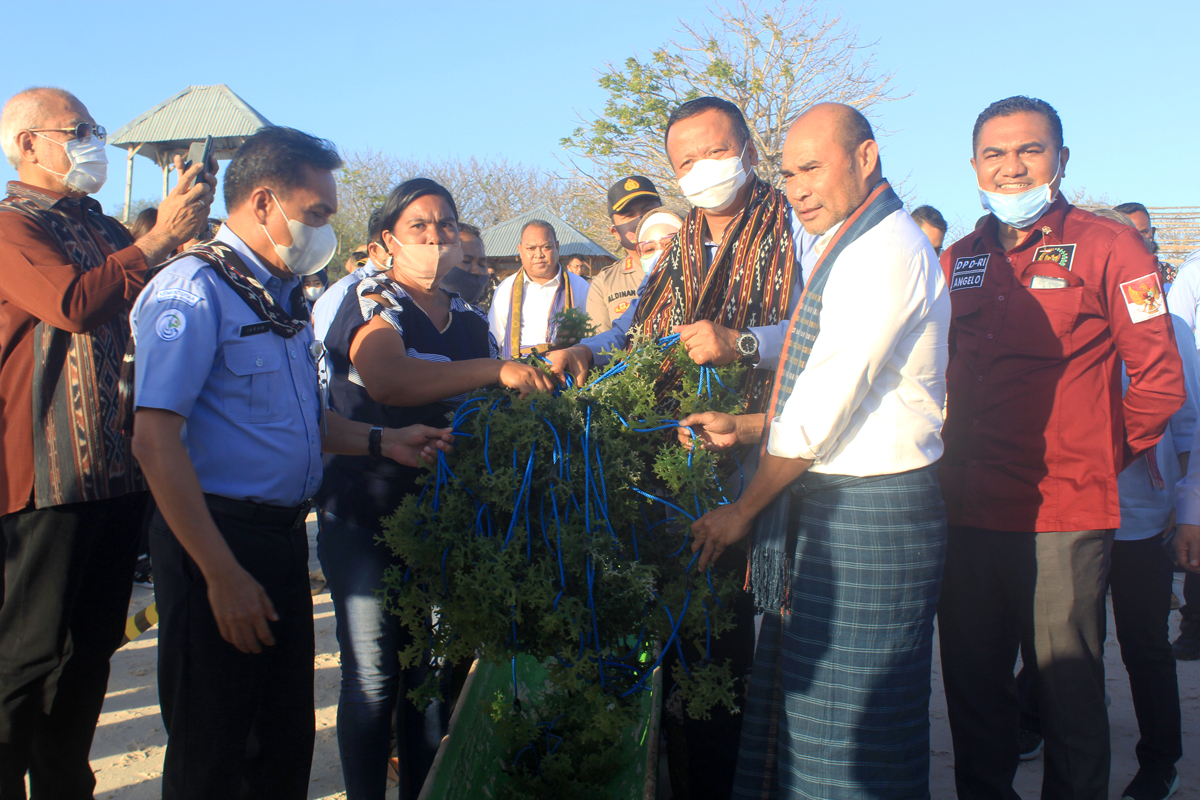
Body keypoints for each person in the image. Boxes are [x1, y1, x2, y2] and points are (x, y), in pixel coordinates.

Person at [130, 126, 456, 800]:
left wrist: (380, 442)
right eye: (317, 215)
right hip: (216, 540)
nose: (325, 231)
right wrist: (220, 574)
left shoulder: (281, 299)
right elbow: (155, 441)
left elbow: (299, 423)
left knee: (279, 746)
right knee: (215, 751)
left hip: (280, 541)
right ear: (262, 203)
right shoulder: (193, 291)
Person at [680, 102, 949, 800]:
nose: (796, 187)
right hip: (839, 507)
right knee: (814, 729)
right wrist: (745, 426)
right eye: (788, 172)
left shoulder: (884, 251)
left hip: (870, 515)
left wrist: (741, 511)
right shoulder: (851, 244)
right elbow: (819, 363)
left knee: (851, 739)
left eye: (812, 167)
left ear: (866, 158)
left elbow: (818, 413)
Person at [548, 96, 807, 800]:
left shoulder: (796, 226)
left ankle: (752, 777)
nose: (703, 170)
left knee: (762, 644)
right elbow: (637, 327)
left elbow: (827, 329)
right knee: (695, 636)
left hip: (775, 459)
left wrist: (743, 342)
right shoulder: (684, 244)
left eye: (716, 152)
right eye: (686, 161)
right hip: (682, 462)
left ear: (750, 149)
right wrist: (584, 348)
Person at [937, 96, 1185, 800]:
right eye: (994, 153)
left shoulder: (1112, 247)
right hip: (967, 511)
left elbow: (1161, 382)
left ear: (1062, 159)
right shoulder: (961, 258)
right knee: (974, 692)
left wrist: (1094, 460)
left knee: (1067, 696)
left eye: (1030, 150)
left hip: (1063, 516)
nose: (1011, 167)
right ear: (975, 166)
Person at [0, 86, 215, 797]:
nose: (91, 140)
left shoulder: (96, 223)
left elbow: (148, 290)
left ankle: (65, 784)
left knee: (91, 651)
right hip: (47, 477)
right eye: (78, 130)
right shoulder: (10, 225)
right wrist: (153, 240)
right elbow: (71, 304)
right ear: (27, 144)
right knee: (27, 657)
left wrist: (179, 234)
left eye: (93, 128)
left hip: (117, 473)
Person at [317, 178, 555, 799]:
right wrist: (497, 370)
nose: (434, 236)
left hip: (446, 521)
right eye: (418, 226)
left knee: (433, 674)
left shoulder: (471, 322)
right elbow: (388, 380)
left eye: (445, 225)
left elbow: (494, 414)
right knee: (374, 677)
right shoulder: (372, 298)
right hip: (367, 511)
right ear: (384, 243)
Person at [487, 219, 590, 357]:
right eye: (531, 248)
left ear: (557, 247)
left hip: (566, 371)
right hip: (516, 372)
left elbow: (593, 337)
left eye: (546, 247)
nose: (539, 254)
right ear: (520, 250)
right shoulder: (505, 289)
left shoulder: (580, 286)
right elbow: (493, 340)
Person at [586, 175, 664, 333]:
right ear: (615, 232)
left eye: (648, 210)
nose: (640, 220)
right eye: (629, 215)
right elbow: (600, 347)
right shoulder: (604, 284)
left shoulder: (696, 260)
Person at [439, 221, 492, 306]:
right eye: (466, 261)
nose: (478, 271)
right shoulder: (415, 313)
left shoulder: (478, 316)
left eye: (481, 264)